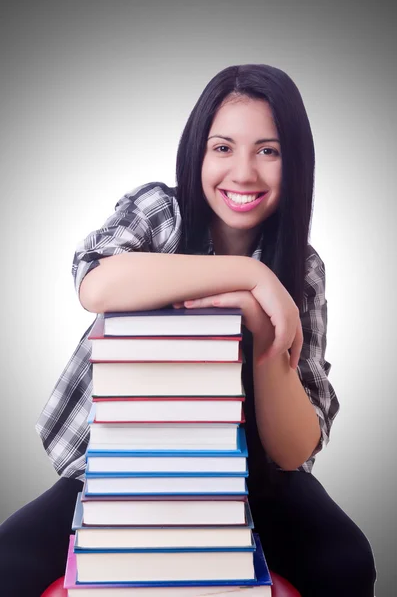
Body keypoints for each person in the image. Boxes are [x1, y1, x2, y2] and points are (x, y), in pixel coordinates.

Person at [0, 64, 376, 597]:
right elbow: (96, 283)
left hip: (251, 479)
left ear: (296, 164)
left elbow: (294, 449)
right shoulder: (161, 213)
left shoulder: (304, 268)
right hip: (116, 472)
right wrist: (251, 275)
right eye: (223, 147)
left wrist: (265, 337)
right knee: (7, 565)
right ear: (197, 150)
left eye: (268, 151)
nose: (243, 173)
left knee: (346, 563)